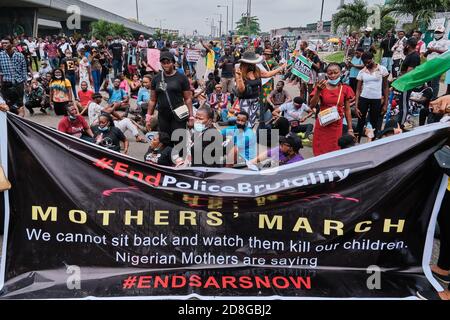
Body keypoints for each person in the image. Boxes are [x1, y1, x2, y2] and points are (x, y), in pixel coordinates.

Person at [145, 51, 194, 139]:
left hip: (179, 115)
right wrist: (148, 117)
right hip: (163, 116)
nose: (166, 65)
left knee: (179, 141)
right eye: (163, 63)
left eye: (168, 62)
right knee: (165, 141)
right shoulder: (156, 79)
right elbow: (152, 100)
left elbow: (188, 99)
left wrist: (191, 117)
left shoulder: (182, 78)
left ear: (173, 63)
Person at [310, 63, 355, 156]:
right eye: (330, 73)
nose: (333, 75)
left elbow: (347, 110)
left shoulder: (345, 89)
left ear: (340, 73)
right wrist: (318, 91)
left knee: (334, 149)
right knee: (320, 150)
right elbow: (312, 105)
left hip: (336, 126)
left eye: (336, 72)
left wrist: (350, 129)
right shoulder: (321, 87)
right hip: (322, 124)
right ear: (326, 74)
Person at [235, 51, 286, 128]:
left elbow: (267, 74)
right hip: (245, 100)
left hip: (255, 99)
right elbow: (241, 89)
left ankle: (249, 136)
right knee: (244, 121)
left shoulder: (256, 70)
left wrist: (281, 68)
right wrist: (239, 78)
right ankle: (243, 136)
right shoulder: (240, 71)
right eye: (251, 63)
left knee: (252, 121)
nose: (253, 65)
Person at [354, 52, 389, 142]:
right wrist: (356, 105)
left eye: (368, 62)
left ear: (373, 59)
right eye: (364, 63)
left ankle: (372, 143)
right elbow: (358, 90)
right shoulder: (362, 72)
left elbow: (385, 87)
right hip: (364, 98)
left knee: (374, 122)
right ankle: (356, 143)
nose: (366, 64)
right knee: (360, 122)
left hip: (376, 99)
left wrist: (385, 104)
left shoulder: (382, 69)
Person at [0, 36, 27, 117]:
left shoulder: (20, 55)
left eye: (6, 43)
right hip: (6, 83)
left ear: (11, 44)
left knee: (20, 106)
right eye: (3, 43)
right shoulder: (0, 56)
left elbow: (24, 70)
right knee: (7, 106)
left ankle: (20, 124)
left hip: (18, 83)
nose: (4, 44)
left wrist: (26, 84)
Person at [397, 37, 422, 128]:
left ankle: (402, 123)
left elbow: (410, 72)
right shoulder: (409, 55)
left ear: (408, 45)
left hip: (407, 84)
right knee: (401, 103)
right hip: (404, 82)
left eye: (405, 44)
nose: (404, 46)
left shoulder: (414, 56)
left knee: (404, 104)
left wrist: (400, 79)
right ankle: (400, 120)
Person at [425, 26, 449, 99]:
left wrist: (434, 50)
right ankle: (427, 97)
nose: (437, 34)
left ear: (443, 33)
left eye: (439, 32)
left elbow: (447, 52)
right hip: (429, 64)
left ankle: (433, 98)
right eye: (436, 32)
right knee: (428, 81)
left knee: (435, 82)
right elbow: (425, 55)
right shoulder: (431, 42)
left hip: (438, 64)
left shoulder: (447, 42)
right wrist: (428, 51)